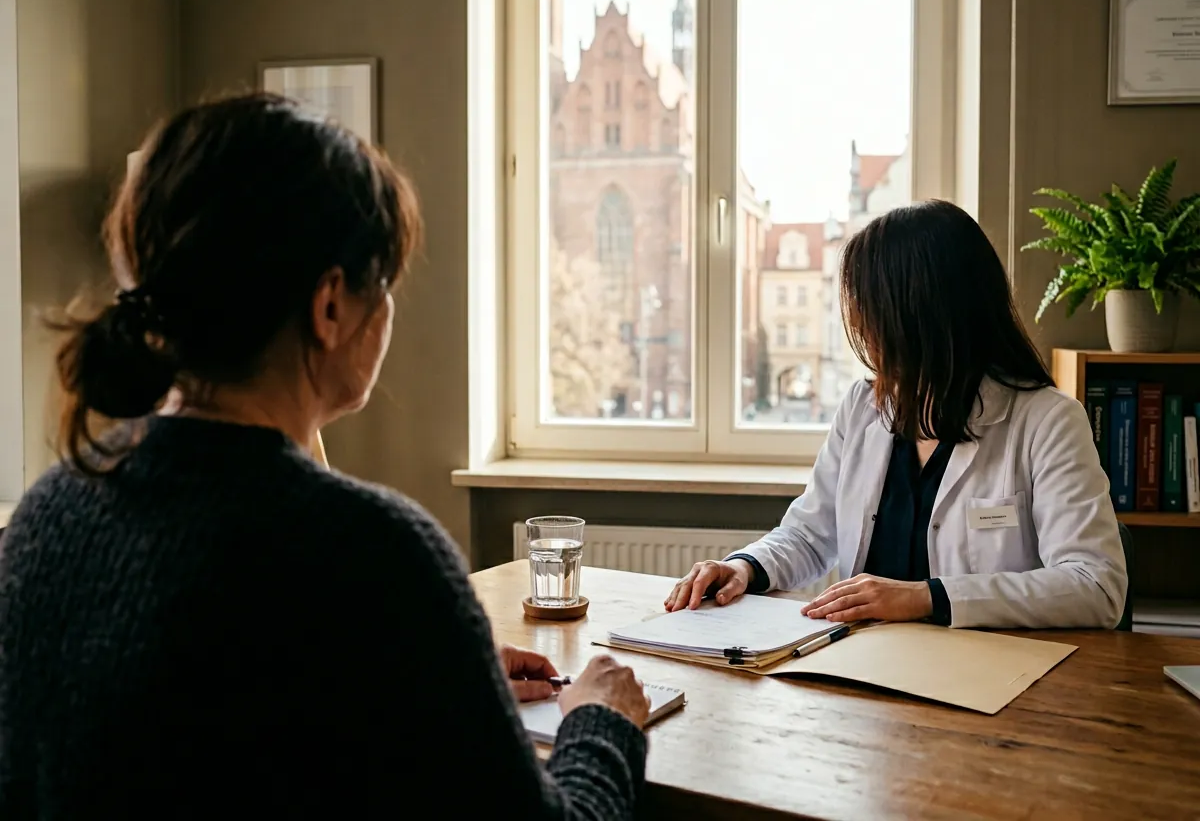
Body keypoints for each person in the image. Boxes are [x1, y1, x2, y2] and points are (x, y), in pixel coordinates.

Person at [0, 94, 650, 819]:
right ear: (331, 306)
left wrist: (439, 682)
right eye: (388, 283)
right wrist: (602, 722)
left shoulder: (47, 514)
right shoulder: (370, 554)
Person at [666, 200, 1127, 630]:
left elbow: (1096, 585)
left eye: (870, 310)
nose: (863, 328)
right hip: (865, 671)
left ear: (919, 315)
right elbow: (810, 534)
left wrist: (928, 597)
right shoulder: (863, 408)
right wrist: (745, 567)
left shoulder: (1046, 422)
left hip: (989, 678)